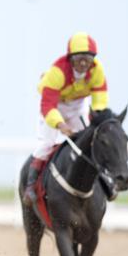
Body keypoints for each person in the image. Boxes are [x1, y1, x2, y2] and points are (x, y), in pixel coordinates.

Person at [23, 32, 109, 205]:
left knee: (87, 143)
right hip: (54, 106)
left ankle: (104, 182)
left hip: (77, 105)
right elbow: (47, 106)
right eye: (79, 58)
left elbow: (100, 101)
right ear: (71, 59)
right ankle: (30, 186)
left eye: (88, 58)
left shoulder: (97, 70)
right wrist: (60, 125)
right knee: (46, 144)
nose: (84, 63)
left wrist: (98, 121)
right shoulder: (58, 71)